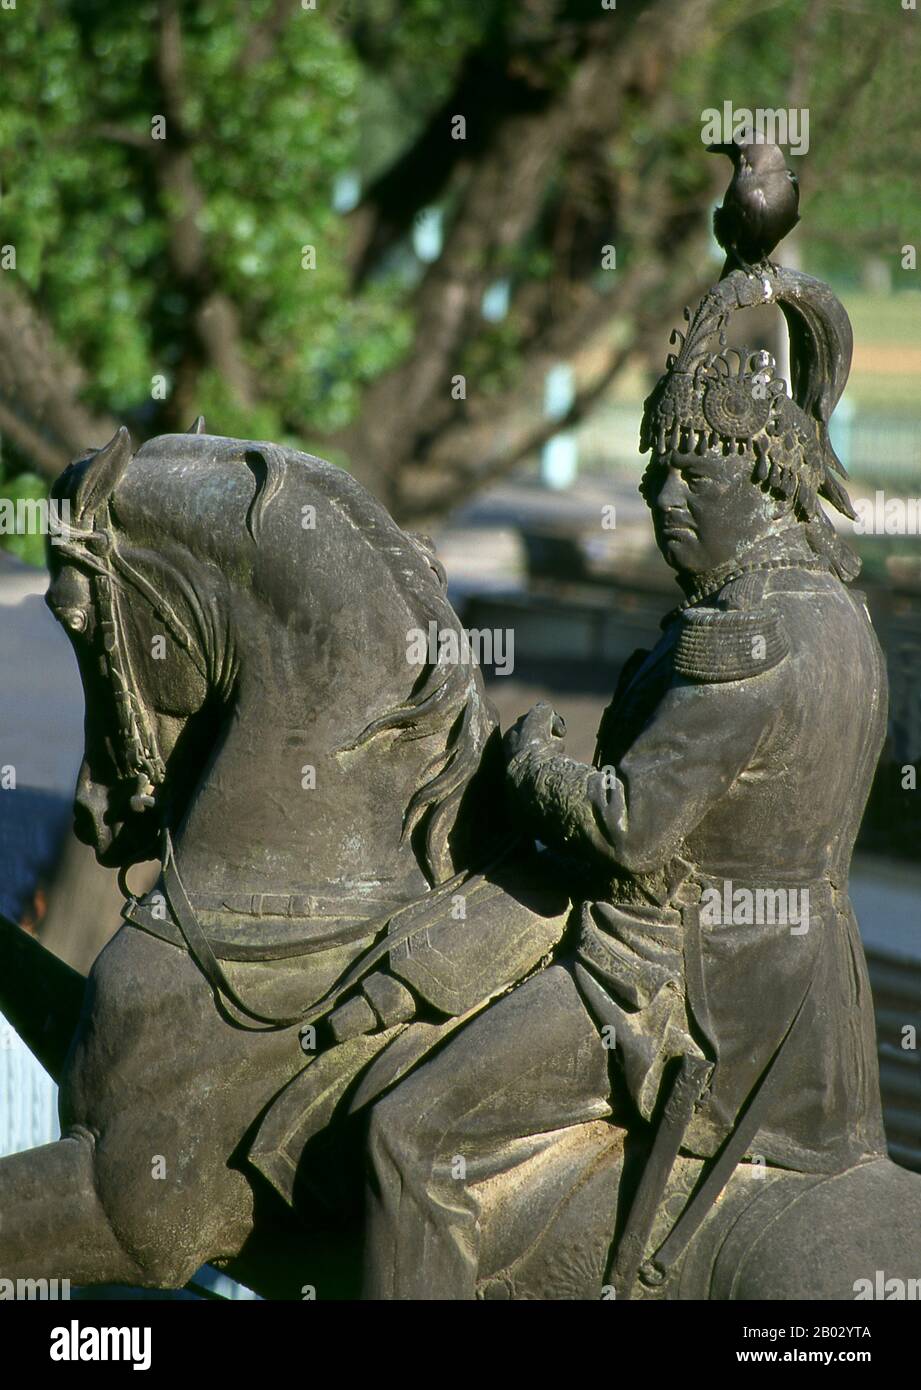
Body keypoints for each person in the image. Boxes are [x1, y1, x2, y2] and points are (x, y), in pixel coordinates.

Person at [364, 267, 889, 1299]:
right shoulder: (839, 613)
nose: (662, 498)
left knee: (408, 1135)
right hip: (812, 987)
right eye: (658, 472)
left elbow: (633, 824)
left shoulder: (743, 631)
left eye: (697, 475)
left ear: (768, 478)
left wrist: (528, 766)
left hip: (683, 983)